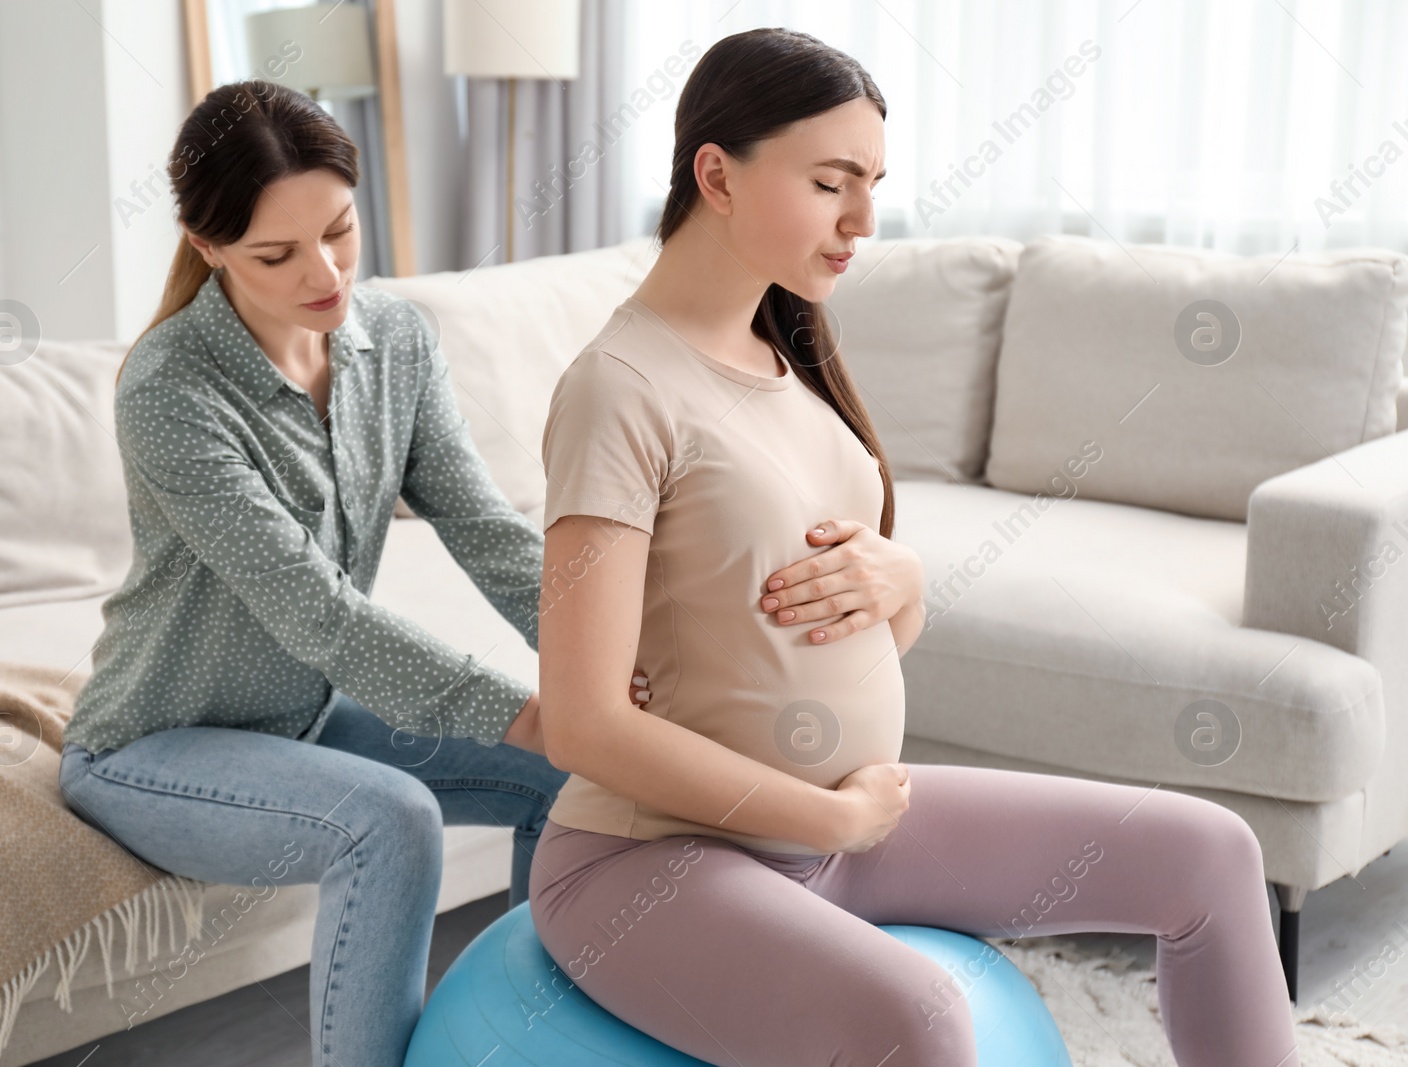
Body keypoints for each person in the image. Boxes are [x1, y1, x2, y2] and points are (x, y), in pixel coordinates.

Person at [57, 78, 914, 1067]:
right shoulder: (171, 387)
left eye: (340, 230)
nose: (326, 272)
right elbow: (315, 612)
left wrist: (613, 668)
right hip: (155, 742)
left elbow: (485, 528)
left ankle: (537, 1038)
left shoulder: (393, 342)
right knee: (390, 820)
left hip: (299, 715)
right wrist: (528, 709)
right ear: (208, 248)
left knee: (575, 772)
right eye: (276, 254)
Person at [529, 27, 1300, 1067]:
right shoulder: (619, 387)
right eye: (830, 182)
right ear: (715, 172)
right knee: (922, 1016)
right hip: (650, 858)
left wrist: (903, 580)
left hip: (847, 825)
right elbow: (582, 722)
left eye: (874, 182)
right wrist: (829, 818)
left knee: (1211, 852)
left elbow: (848, 623)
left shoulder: (785, 354)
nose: (863, 221)